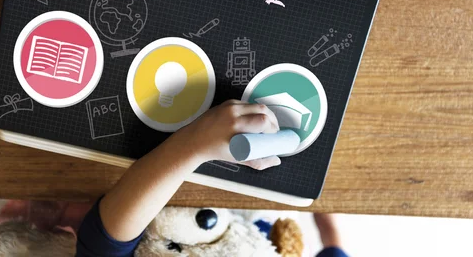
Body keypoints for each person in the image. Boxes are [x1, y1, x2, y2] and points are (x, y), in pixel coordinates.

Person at [76, 100, 349, 256]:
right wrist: (324, 214)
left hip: (159, 182)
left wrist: (194, 144)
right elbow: (334, 245)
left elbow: (103, 243)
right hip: (261, 202)